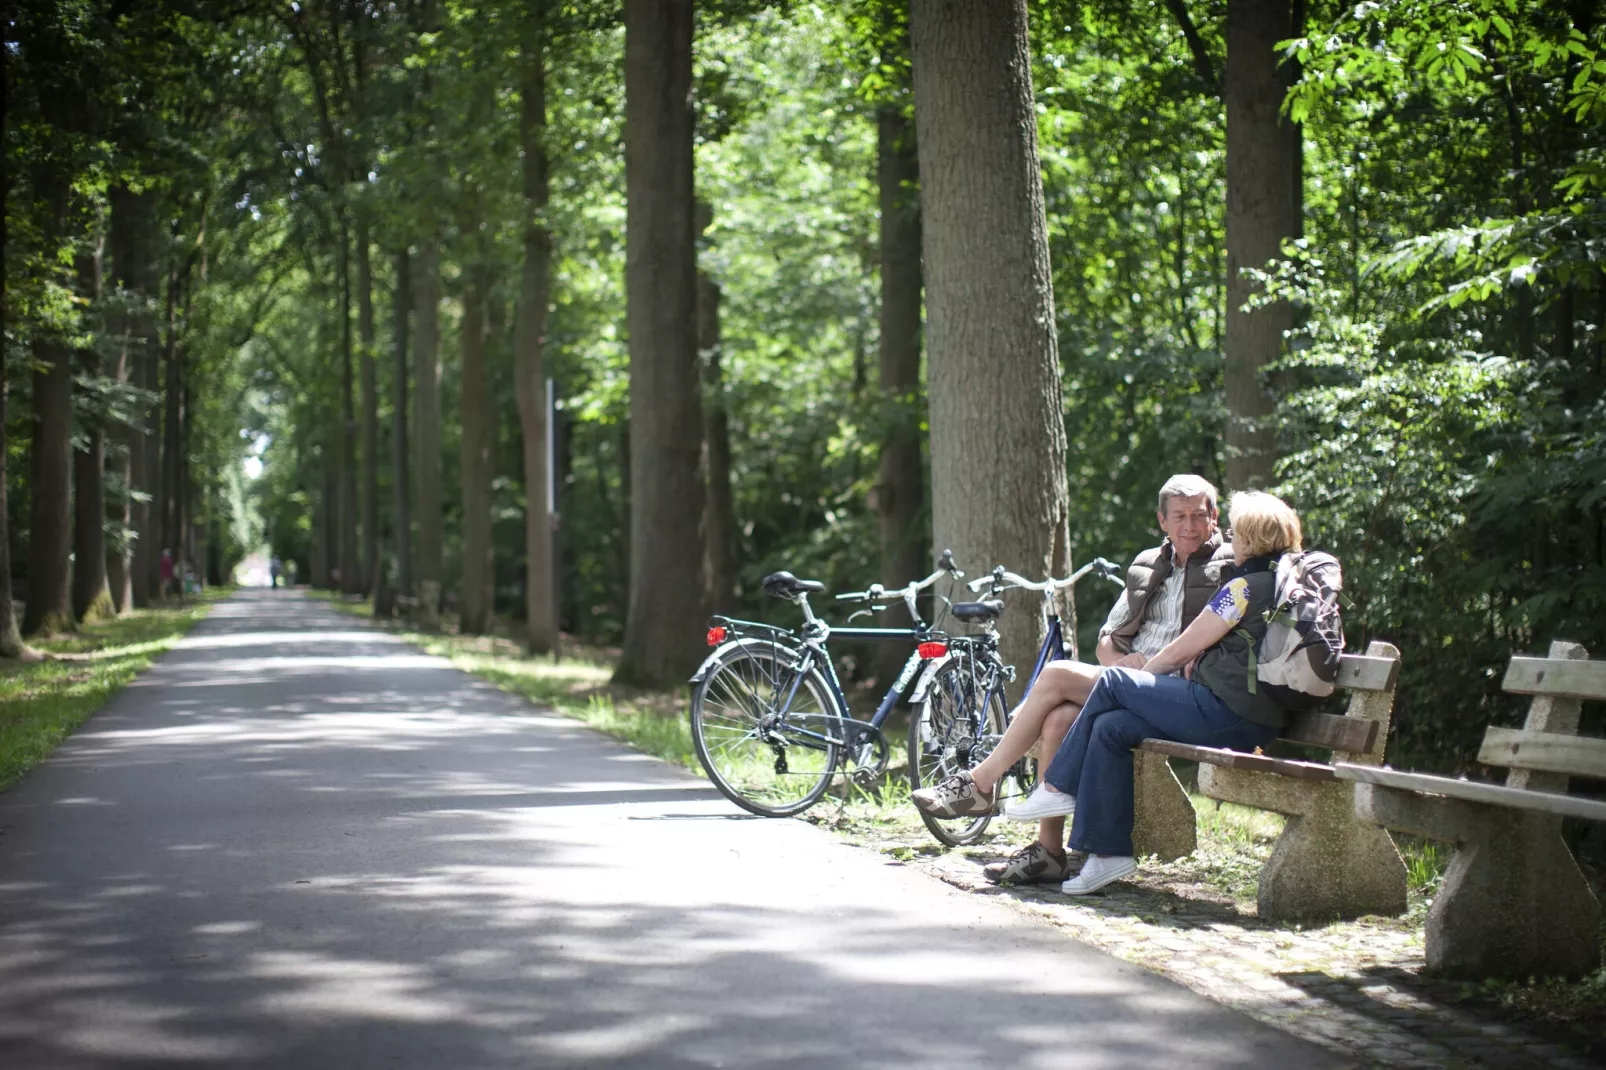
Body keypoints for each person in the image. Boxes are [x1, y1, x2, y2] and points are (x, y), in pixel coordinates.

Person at [912, 473, 1233, 885]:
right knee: (1058, 718)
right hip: (1128, 681)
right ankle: (1049, 851)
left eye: (1198, 515)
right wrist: (1121, 658)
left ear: (1214, 516)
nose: (1189, 525)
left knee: (1056, 673)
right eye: (1179, 516)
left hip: (1178, 692)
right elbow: (1105, 640)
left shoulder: (1229, 568)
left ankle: (981, 781)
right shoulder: (1148, 566)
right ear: (1162, 521)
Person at [1034, 490, 1305, 896]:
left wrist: (1141, 680)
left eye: (1238, 531)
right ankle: (1107, 853)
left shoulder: (1244, 589)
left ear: (1252, 539)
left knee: (1112, 682)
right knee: (1111, 726)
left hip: (1227, 716)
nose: (1231, 536)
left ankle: (1056, 788)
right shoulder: (1280, 583)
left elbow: (1185, 647)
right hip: (1245, 717)